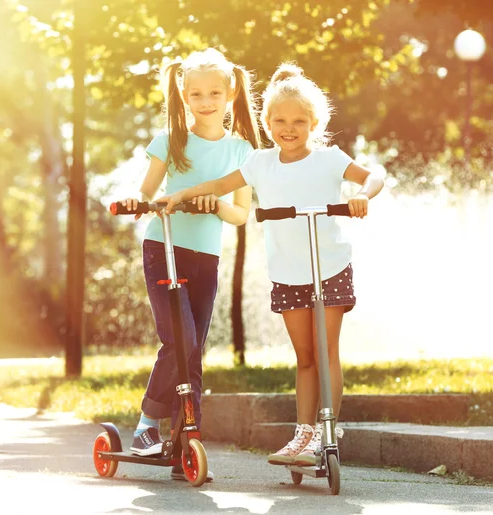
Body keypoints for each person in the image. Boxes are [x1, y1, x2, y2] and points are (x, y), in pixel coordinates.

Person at [156, 62, 385, 466]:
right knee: (305, 358)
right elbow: (219, 185)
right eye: (279, 120)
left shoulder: (330, 159)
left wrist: (362, 195)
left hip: (328, 265)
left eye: (299, 120)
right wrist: (179, 196)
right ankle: (303, 435)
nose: (289, 128)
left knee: (326, 347)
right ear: (267, 121)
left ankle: (327, 430)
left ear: (314, 122)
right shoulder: (260, 163)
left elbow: (375, 176)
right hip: (287, 273)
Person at [117, 48, 260, 480]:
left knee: (193, 347)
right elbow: (147, 193)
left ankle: (184, 439)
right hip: (165, 247)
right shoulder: (170, 141)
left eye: (215, 92)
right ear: (183, 95)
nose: (206, 101)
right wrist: (135, 201)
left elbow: (240, 214)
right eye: (196, 94)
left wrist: (215, 204)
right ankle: (146, 427)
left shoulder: (243, 151)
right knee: (178, 340)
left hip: (207, 257)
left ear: (231, 92)